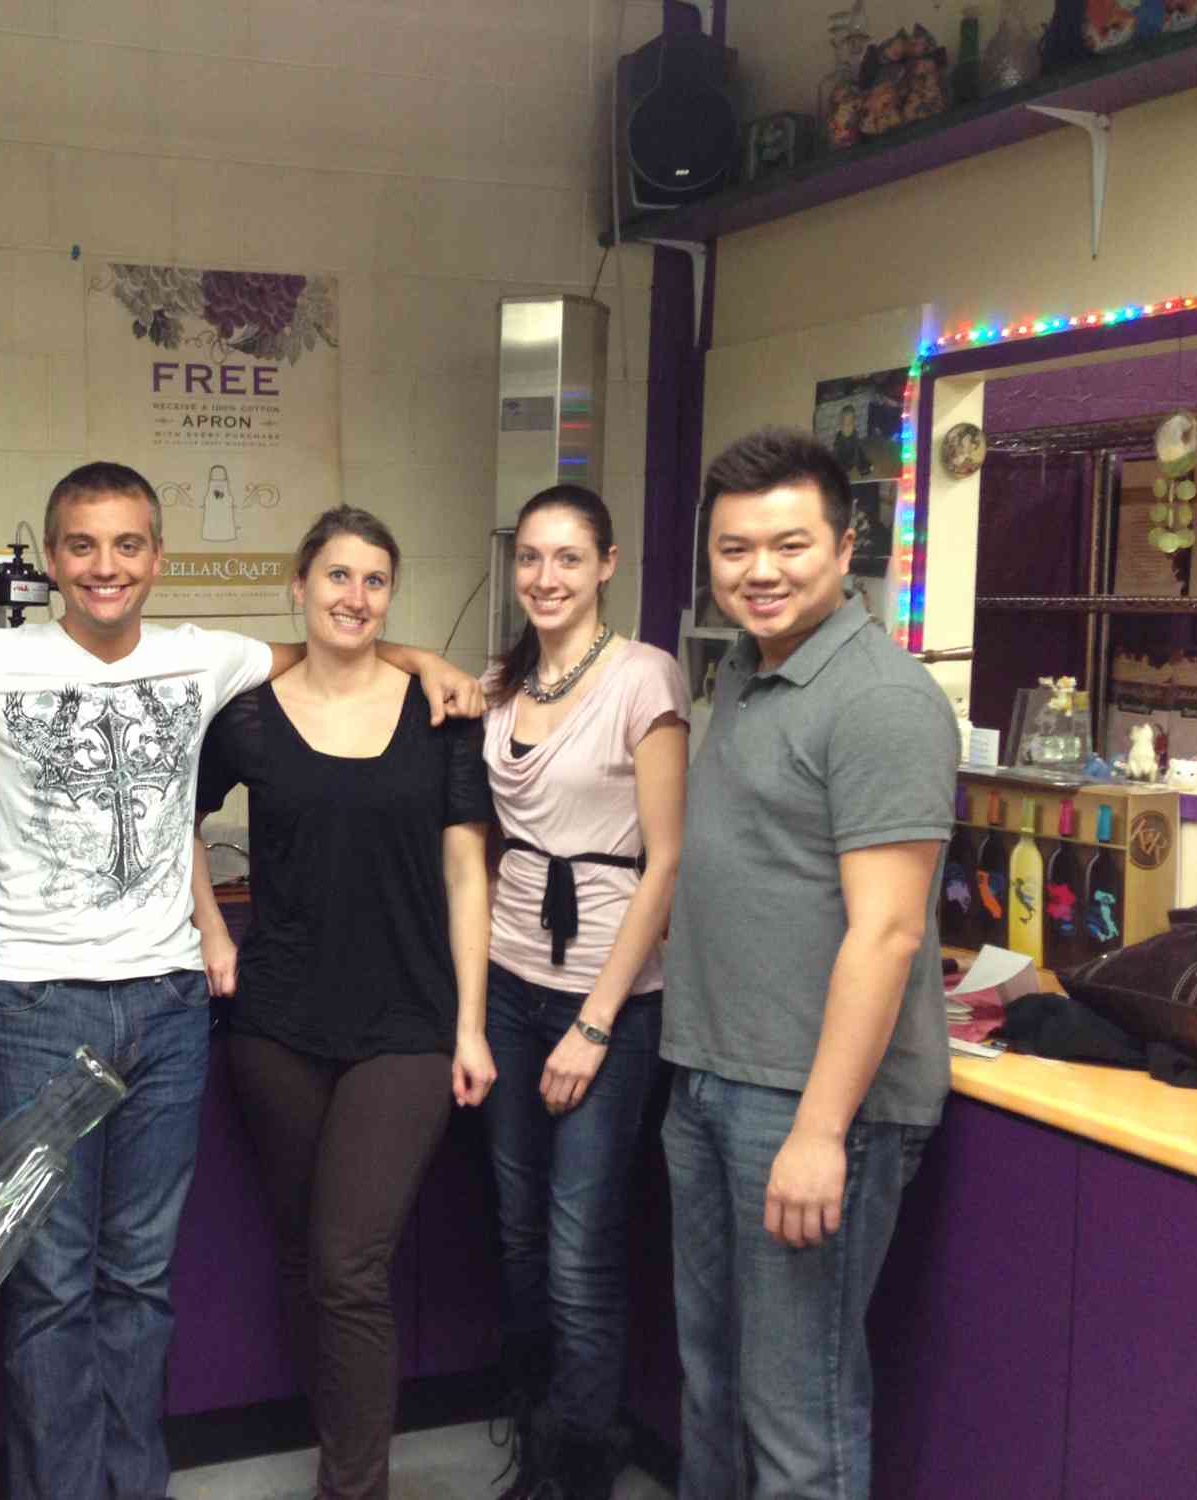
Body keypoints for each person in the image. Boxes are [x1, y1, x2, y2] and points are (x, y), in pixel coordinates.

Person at [0, 461, 483, 1500]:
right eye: (81, 546)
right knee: (50, 1284)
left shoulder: (205, 656)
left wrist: (425, 659)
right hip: (35, 1002)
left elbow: (333, 646)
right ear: (52, 558)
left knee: (140, 1280)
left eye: (125, 545)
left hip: (166, 1005)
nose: (103, 566)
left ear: (157, 557)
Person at [663, 428, 957, 1500]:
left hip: (806, 1105)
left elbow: (887, 932)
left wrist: (820, 1133)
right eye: (734, 549)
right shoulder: (747, 670)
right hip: (711, 1077)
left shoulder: (880, 699)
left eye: (789, 546)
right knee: (712, 1385)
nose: (760, 571)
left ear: (844, 547)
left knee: (796, 1415)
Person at [190, 507, 495, 1500]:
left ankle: (353, 1488)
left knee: (349, 1265)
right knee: (306, 1258)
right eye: (336, 575)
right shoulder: (247, 716)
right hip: (277, 1025)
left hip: (406, 1024)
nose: (354, 596)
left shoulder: (440, 713)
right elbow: (172, 817)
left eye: (373, 580)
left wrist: (470, 1025)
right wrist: (211, 929)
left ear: (389, 596)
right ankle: (338, 1443)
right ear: (299, 586)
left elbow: (466, 873)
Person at [479, 486, 687, 1500]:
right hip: (507, 983)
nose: (545, 577)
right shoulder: (503, 680)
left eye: (567, 558)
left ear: (606, 564)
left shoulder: (644, 677)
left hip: (604, 999)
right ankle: (538, 1444)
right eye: (529, 557)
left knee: (576, 1255)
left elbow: (667, 859)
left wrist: (595, 1024)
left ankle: (577, 1475)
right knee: (519, 1241)